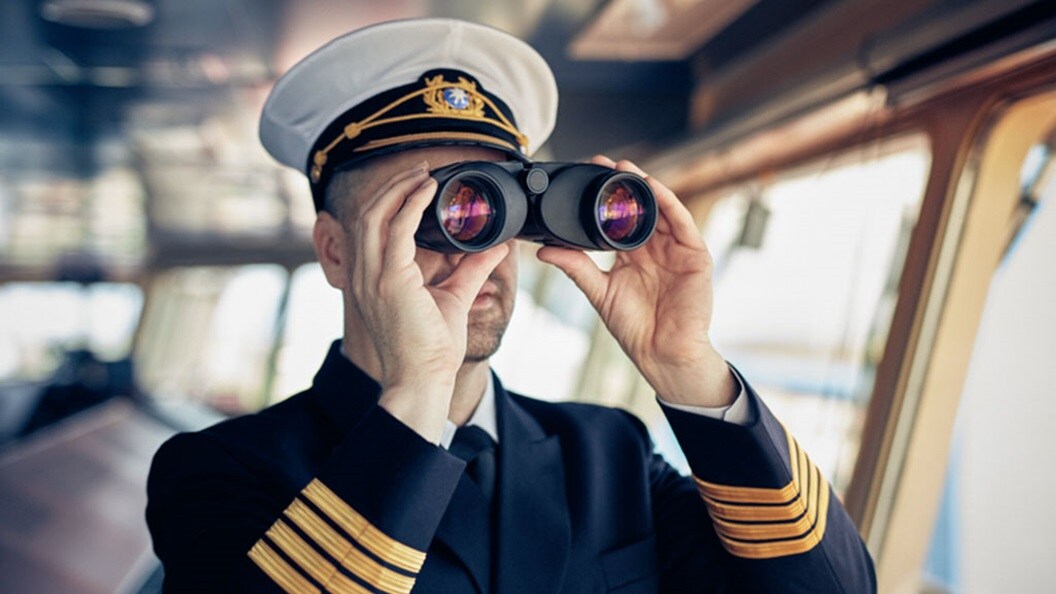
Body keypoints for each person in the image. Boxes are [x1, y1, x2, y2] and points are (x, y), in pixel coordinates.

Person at [145, 18, 876, 593]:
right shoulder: (219, 472)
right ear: (336, 251)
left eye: (490, 209)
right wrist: (417, 391)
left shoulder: (610, 455)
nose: (475, 252)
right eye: (433, 211)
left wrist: (686, 365)